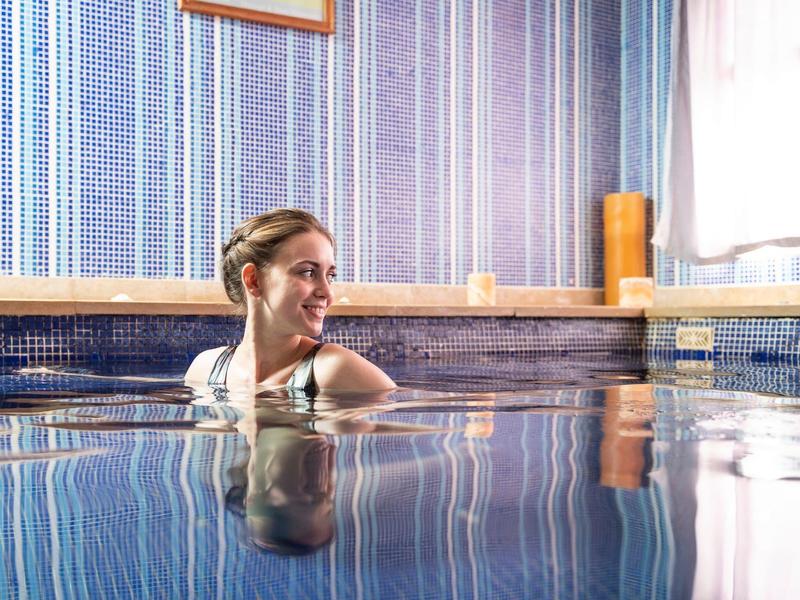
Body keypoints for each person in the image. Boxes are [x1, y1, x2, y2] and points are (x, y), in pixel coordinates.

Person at [185, 208, 395, 394]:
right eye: (307, 272)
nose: (327, 294)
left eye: (330, 275)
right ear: (254, 280)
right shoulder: (205, 370)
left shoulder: (334, 369)